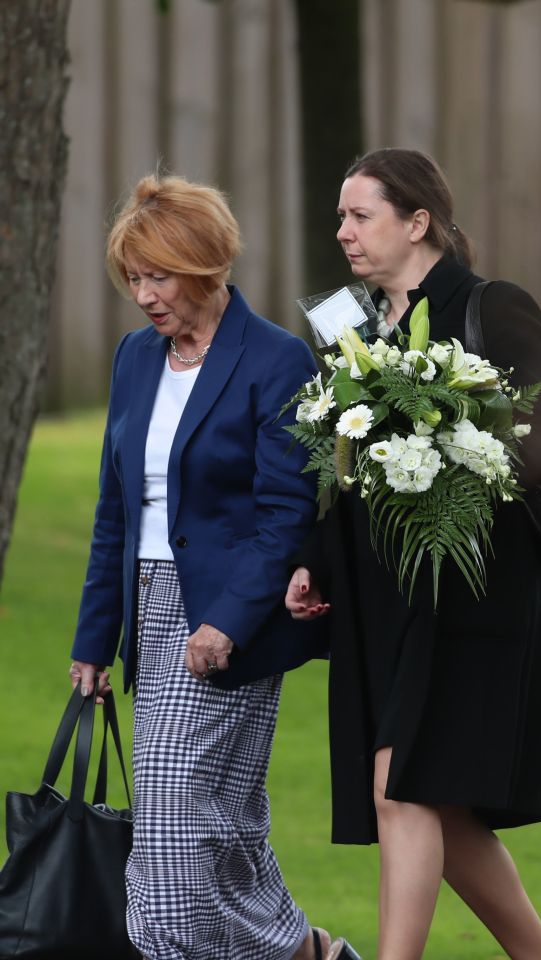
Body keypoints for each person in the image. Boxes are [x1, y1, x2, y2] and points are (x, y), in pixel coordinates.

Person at [286, 148, 541, 960]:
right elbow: (340, 464)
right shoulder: (347, 323)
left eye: (359, 215)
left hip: (472, 592)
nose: (342, 231)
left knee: (401, 783)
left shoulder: (493, 307)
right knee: (437, 802)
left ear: (418, 223)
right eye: (341, 216)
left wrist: (454, 455)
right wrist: (316, 557)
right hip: (382, 597)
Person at [68, 173, 360, 960]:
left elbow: (283, 517)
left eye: (157, 274)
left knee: (167, 823)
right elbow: (115, 512)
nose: (143, 295)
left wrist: (225, 622)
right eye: (132, 278)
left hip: (231, 616)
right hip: (147, 605)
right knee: (219, 824)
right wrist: (94, 640)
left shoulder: (275, 360)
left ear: (205, 264)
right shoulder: (135, 359)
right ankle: (309, 954)